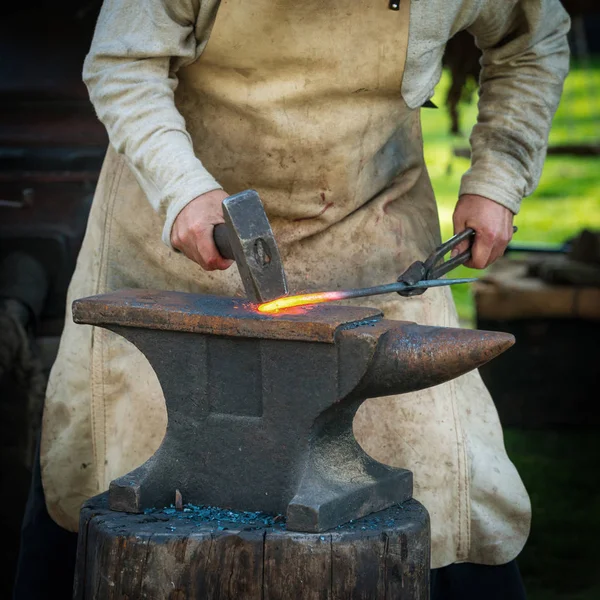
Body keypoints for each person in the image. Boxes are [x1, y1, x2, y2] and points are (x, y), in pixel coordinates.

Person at [14, 0, 570, 598]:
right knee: (112, 466)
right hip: (180, 234)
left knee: (440, 483)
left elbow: (531, 40)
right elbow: (124, 63)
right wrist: (182, 189)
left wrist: (498, 179)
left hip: (369, 226)